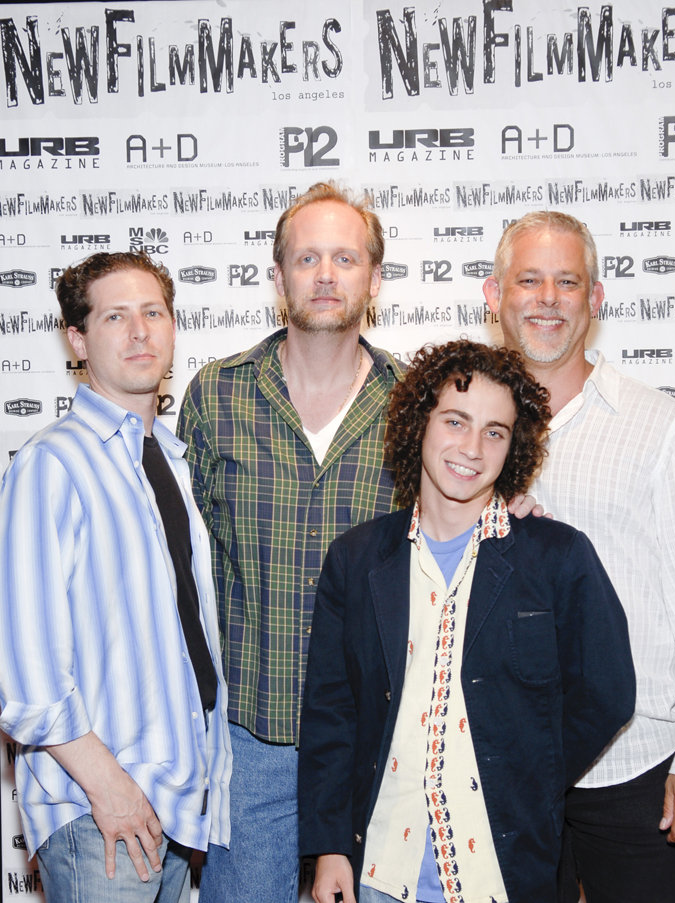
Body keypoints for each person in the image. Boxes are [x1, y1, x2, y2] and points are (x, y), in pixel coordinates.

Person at [298, 339, 635, 903]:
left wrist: (528, 773)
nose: (472, 448)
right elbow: (332, 714)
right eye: (455, 421)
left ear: (515, 446)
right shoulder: (357, 560)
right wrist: (331, 846)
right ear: (418, 424)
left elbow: (607, 692)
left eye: (495, 431)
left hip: (501, 873)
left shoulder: (557, 556)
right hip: (382, 870)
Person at [176, 181, 402, 902]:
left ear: (373, 276)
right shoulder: (217, 394)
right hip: (251, 739)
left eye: (345, 257)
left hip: (379, 743)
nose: (327, 275)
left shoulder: (417, 403)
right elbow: (177, 561)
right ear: (278, 278)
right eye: (307, 258)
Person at [0, 251, 232, 902]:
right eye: (115, 315)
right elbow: (26, 675)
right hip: (97, 814)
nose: (139, 331)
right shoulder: (52, 464)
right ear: (77, 338)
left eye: (153, 312)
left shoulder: (174, 466)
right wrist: (112, 789)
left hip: (171, 809)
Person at [483, 210, 675, 903]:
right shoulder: (462, 435)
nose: (547, 298)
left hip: (636, 767)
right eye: (529, 280)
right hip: (505, 768)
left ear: (596, 299)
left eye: (567, 282)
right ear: (495, 296)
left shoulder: (659, 426)